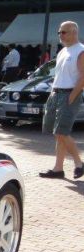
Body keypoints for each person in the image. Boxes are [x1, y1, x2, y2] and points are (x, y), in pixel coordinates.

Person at [39, 21, 84, 180]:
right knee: (57, 133)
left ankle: (79, 163)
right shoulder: (63, 51)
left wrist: (71, 97)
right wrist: (52, 93)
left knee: (61, 132)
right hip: (55, 93)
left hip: (69, 94)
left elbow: (83, 78)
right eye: (59, 32)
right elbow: (58, 75)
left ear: (74, 32)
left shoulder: (80, 51)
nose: (60, 35)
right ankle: (58, 169)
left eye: (64, 32)